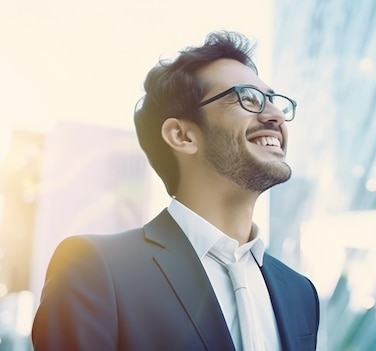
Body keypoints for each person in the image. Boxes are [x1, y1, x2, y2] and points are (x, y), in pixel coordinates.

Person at [31, 30, 319, 351]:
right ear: (182, 135)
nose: (276, 116)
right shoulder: (96, 269)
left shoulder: (300, 293)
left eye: (274, 102)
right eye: (247, 98)